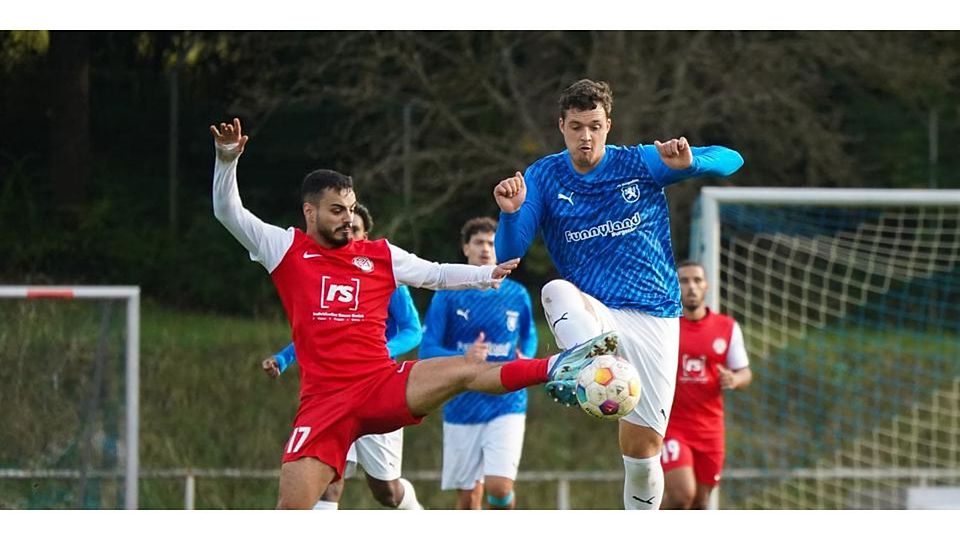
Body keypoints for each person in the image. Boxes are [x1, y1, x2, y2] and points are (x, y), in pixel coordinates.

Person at [210, 117, 617, 510]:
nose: (348, 220)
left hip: (379, 383)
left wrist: (485, 275)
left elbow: (434, 274)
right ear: (309, 212)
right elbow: (229, 213)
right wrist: (227, 160)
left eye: (351, 209)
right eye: (336, 210)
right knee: (291, 511)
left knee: (467, 369)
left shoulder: (379, 255)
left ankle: (560, 366)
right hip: (324, 405)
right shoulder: (285, 250)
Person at [492, 79, 744, 510]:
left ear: (609, 124)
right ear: (561, 126)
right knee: (554, 290)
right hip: (598, 313)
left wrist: (689, 163)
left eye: (594, 125)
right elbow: (509, 253)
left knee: (644, 453)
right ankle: (585, 367)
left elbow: (731, 159)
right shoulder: (544, 176)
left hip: (657, 315)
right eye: (575, 127)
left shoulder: (640, 162)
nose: (585, 137)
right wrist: (510, 213)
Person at [262, 204, 424, 510]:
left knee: (386, 492)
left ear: (366, 237)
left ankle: (416, 511)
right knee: (329, 484)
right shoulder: (321, 275)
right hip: (332, 395)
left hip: (376, 388)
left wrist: (373, 353)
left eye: (355, 230)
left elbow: (413, 331)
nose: (347, 234)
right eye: (343, 228)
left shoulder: (386, 275)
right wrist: (283, 359)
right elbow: (314, 335)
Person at [419, 217, 538, 510]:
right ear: (465, 248)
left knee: (499, 487)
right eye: (479, 242)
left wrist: (526, 357)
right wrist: (464, 357)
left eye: (491, 243)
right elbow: (427, 349)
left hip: (507, 401)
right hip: (461, 403)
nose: (486, 249)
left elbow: (529, 337)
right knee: (468, 497)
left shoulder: (517, 294)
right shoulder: (448, 295)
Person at [660, 261, 751, 510]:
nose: (691, 286)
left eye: (697, 280)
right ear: (675, 286)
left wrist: (734, 379)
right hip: (673, 426)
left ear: (706, 286)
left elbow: (745, 372)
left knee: (700, 504)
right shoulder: (666, 327)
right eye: (684, 280)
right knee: (681, 496)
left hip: (710, 430)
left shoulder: (727, 327)